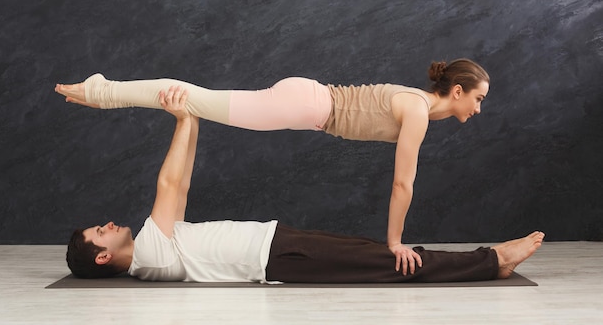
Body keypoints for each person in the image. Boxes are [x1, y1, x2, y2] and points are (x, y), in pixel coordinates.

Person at [65, 86, 544, 283]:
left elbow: (181, 183)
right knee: (381, 259)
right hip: (274, 257)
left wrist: (185, 119)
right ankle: (492, 262)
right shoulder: (148, 254)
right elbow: (170, 181)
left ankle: (486, 262)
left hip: (275, 242)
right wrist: (183, 113)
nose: (108, 224)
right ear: (104, 256)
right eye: (99, 232)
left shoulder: (156, 244)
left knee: (374, 253)